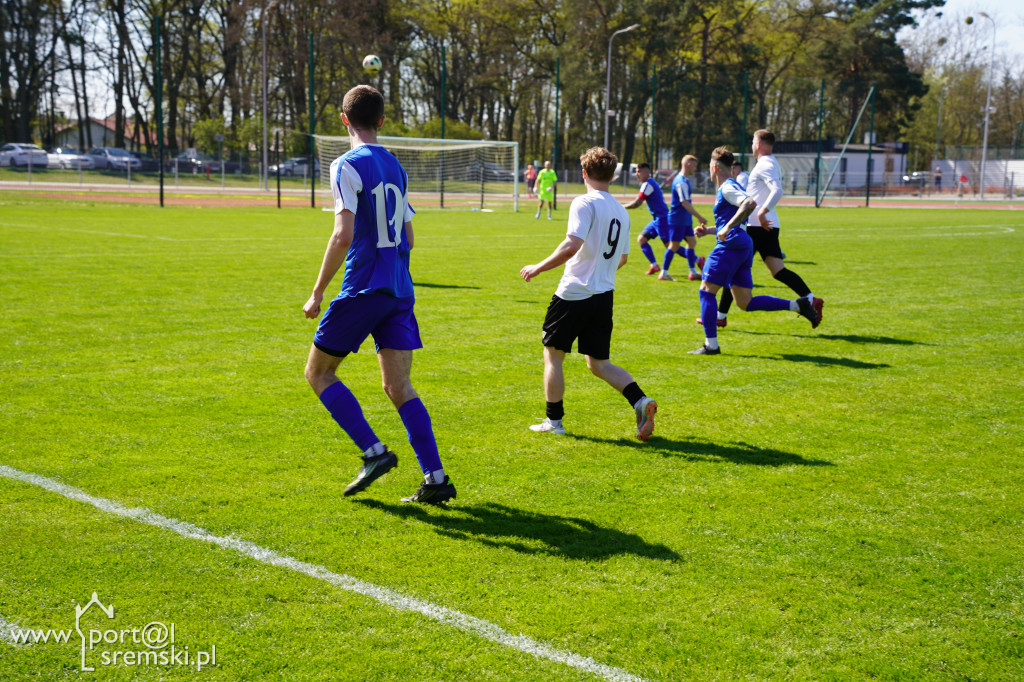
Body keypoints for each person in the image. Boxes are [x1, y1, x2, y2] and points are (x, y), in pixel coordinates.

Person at [302, 84, 456, 505]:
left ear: (344, 119)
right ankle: (436, 477)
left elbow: (342, 233)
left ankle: (373, 452)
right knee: (399, 386)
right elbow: (408, 235)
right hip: (399, 289)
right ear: (382, 121)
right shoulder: (396, 165)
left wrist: (317, 292)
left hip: (364, 286)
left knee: (318, 373)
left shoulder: (346, 164)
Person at [520, 146, 658, 440]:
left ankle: (554, 422)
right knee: (598, 363)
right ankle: (640, 400)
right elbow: (622, 259)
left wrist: (538, 267)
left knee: (553, 355)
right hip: (603, 295)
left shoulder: (584, 203)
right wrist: (600, 272)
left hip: (573, 294)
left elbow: (572, 245)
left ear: (584, 173)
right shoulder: (621, 211)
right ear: (612, 175)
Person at [690, 146, 820, 355]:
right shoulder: (730, 186)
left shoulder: (726, 188)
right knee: (744, 302)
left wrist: (727, 227)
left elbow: (749, 204)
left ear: (714, 167)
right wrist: (711, 231)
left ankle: (711, 345)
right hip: (743, 244)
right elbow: (737, 218)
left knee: (706, 291)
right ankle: (798, 305)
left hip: (731, 246)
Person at [625, 163, 674, 281]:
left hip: (662, 219)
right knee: (641, 240)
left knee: (671, 246)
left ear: (646, 172)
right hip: (656, 219)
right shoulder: (648, 183)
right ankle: (654, 265)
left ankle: (697, 260)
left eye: (638, 171)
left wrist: (621, 207)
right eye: (636, 171)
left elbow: (637, 203)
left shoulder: (647, 184)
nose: (636, 174)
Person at [668, 155, 708, 281]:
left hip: (685, 219)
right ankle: (663, 272)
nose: (695, 168)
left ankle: (692, 272)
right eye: (695, 165)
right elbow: (684, 202)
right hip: (678, 219)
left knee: (692, 242)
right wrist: (699, 217)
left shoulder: (684, 180)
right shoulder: (681, 182)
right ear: (688, 164)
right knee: (674, 246)